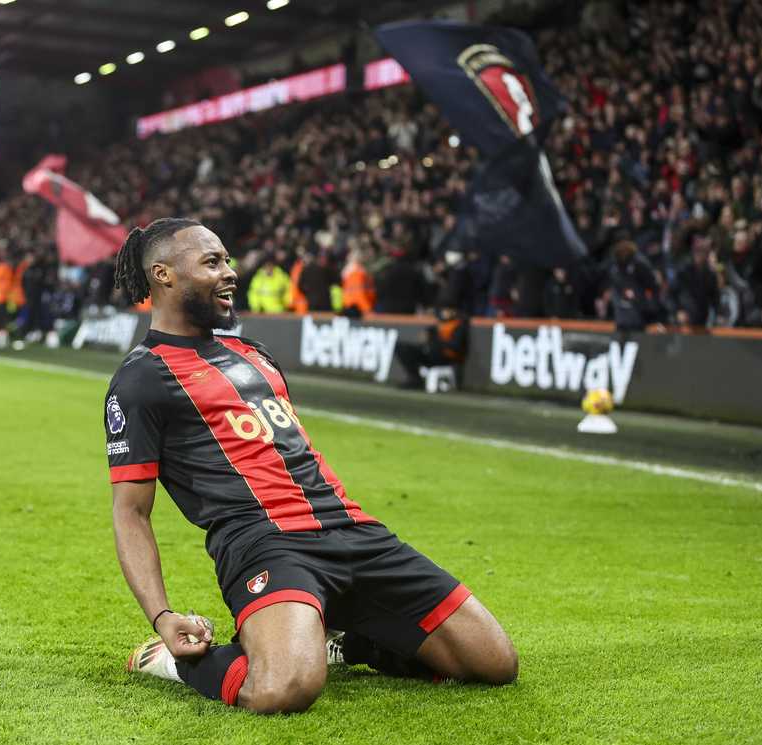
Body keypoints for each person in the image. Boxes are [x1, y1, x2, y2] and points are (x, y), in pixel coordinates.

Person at [106, 218, 517, 715]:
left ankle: (347, 641)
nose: (229, 272)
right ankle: (176, 663)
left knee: (495, 663)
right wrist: (162, 616)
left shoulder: (252, 353)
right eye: (212, 262)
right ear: (163, 275)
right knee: (285, 690)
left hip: (352, 528)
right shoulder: (141, 379)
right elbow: (131, 512)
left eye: (227, 260)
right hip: (264, 542)